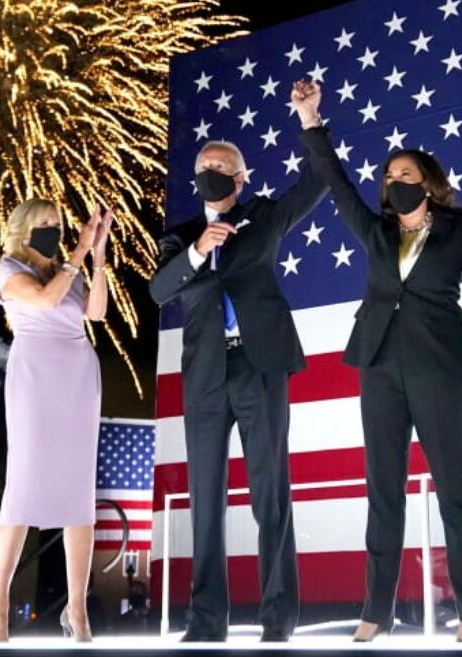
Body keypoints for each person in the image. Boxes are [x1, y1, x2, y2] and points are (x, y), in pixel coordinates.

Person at [292, 80, 462, 643]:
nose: (394, 183)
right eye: (389, 177)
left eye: (406, 176)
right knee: (382, 491)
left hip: (440, 368)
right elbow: (337, 182)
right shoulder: (376, 230)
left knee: (454, 489)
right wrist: (311, 121)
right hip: (380, 368)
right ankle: (375, 612)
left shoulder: (460, 229)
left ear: (430, 185)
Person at [148, 134, 326, 642]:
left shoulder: (264, 217)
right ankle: (206, 621)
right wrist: (200, 251)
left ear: (241, 177)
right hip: (205, 376)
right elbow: (160, 290)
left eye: (223, 166)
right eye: (204, 164)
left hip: (259, 363)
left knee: (270, 494)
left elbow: (316, 183)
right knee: (206, 497)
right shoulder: (180, 235)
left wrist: (311, 123)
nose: (213, 171)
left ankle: (277, 619)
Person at [0, 200, 113, 643]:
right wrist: (77, 252)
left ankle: (77, 609)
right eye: (44, 224)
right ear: (23, 229)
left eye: (57, 224)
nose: (54, 230)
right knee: (23, 485)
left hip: (77, 375)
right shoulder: (10, 268)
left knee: (79, 491)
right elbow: (44, 299)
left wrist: (97, 256)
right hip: (35, 377)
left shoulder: (68, 269)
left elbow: (94, 313)